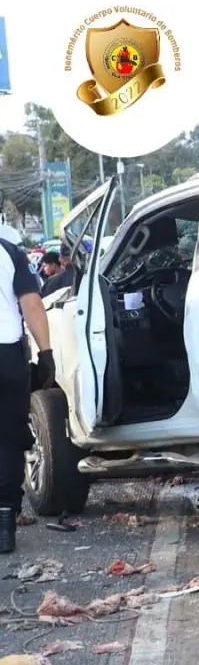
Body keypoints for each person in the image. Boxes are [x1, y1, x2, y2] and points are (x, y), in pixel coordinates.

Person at [1, 237, 56, 553]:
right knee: (8, 440)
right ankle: (4, 521)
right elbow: (31, 303)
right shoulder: (9, 253)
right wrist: (46, 353)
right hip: (6, 356)